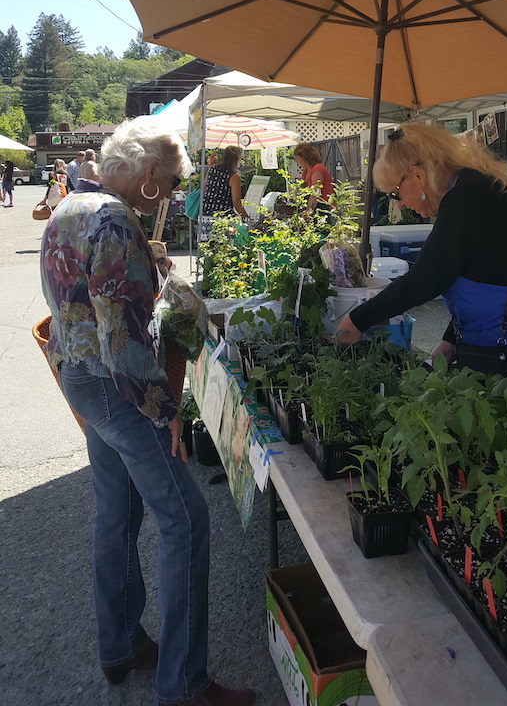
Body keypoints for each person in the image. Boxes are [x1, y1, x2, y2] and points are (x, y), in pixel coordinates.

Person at [40, 117, 254, 706]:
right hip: (117, 387)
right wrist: (166, 412)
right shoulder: (115, 222)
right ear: (151, 175)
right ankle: (185, 685)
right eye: (176, 180)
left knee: (117, 512)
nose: (175, 193)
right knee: (186, 520)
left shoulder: (71, 207)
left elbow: (82, 308)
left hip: (82, 379)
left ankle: (121, 646)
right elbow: (123, 344)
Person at [336, 123, 507, 379]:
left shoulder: (467, 198)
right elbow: (471, 269)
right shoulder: (472, 187)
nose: (401, 203)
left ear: (418, 175)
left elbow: (425, 279)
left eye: (396, 193)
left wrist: (358, 320)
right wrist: (451, 340)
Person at [201, 146, 248, 239]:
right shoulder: (234, 177)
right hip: (222, 218)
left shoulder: (212, 169)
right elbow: (236, 203)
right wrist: (246, 218)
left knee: (207, 249)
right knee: (223, 249)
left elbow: (204, 188)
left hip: (205, 215)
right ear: (236, 160)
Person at [293, 142, 334, 218]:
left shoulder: (318, 169)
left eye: (298, 158)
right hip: (313, 208)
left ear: (305, 158)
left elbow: (315, 194)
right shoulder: (305, 171)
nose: (297, 161)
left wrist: (307, 213)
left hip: (323, 209)